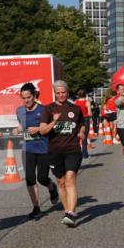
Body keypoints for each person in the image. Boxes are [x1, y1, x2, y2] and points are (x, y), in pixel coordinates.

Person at [39, 80, 85, 227]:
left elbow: (82, 124)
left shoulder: (76, 109)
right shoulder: (48, 109)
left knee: (70, 179)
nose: (61, 95)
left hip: (73, 150)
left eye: (63, 92)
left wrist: (82, 133)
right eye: (58, 93)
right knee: (61, 182)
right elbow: (43, 131)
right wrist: (54, 121)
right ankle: (67, 210)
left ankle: (71, 213)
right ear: (55, 93)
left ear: (67, 91)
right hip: (54, 151)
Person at [15, 83, 59, 220]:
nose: (26, 100)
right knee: (29, 179)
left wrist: (38, 130)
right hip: (27, 148)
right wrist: (17, 129)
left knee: (42, 178)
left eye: (29, 97)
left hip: (43, 148)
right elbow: (22, 124)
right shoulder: (19, 110)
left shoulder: (44, 110)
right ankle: (36, 207)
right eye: (23, 98)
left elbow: (51, 127)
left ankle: (52, 188)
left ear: (34, 96)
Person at [74, 89, 90, 158]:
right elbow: (89, 113)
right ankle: (84, 154)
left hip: (77, 120)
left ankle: (76, 153)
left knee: (77, 136)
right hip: (85, 119)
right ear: (85, 95)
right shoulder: (87, 102)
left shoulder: (75, 102)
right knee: (84, 136)